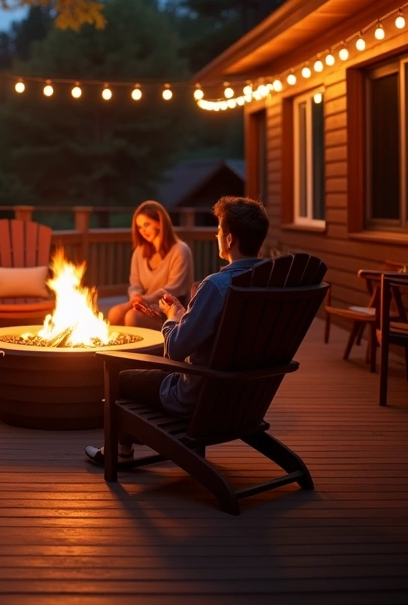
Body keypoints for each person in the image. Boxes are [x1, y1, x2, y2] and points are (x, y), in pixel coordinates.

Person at [86, 196, 270, 465]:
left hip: (197, 398)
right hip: (247, 399)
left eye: (218, 229)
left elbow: (175, 350)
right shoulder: (271, 282)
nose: (215, 234)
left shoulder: (217, 286)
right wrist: (185, 315)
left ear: (229, 239)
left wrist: (173, 317)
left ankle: (120, 452)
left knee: (120, 378)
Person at [107, 200, 193, 331]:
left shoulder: (180, 250)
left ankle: (143, 350)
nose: (143, 231)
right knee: (114, 313)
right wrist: (135, 298)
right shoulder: (139, 251)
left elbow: (173, 289)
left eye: (146, 225)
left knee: (132, 317)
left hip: (171, 310)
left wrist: (145, 299)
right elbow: (135, 285)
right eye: (139, 227)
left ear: (159, 222)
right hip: (143, 303)